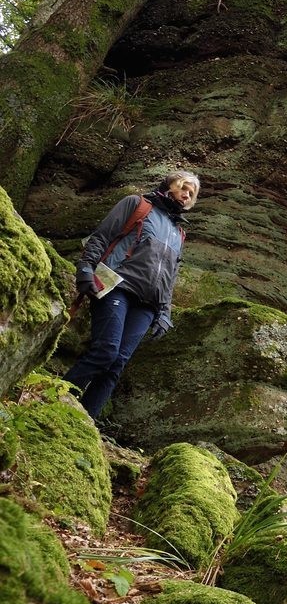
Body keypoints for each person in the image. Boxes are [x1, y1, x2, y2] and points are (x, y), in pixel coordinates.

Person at [63, 170, 198, 420]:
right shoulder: (137, 205)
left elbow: (170, 275)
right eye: (184, 187)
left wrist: (164, 313)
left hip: (147, 306)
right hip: (118, 287)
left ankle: (84, 422)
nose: (187, 194)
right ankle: (57, 400)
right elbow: (102, 237)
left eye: (192, 193)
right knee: (106, 351)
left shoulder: (179, 233)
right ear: (170, 185)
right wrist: (85, 269)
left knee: (116, 366)